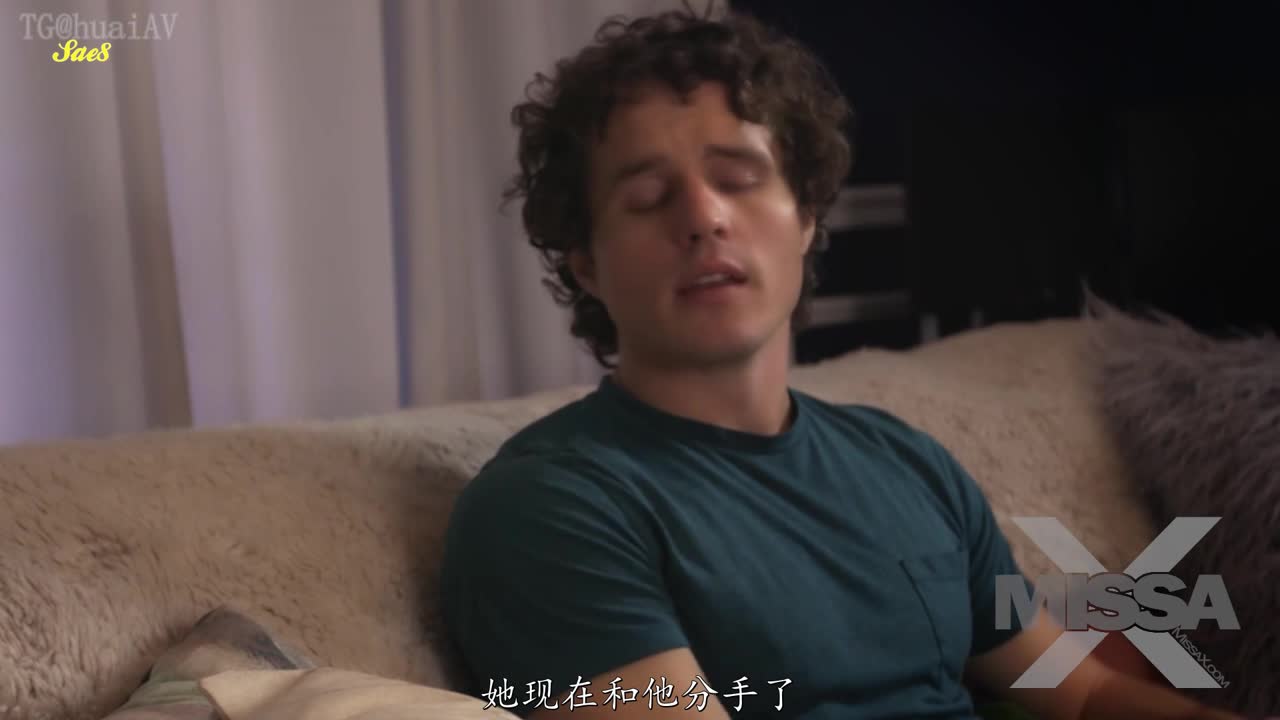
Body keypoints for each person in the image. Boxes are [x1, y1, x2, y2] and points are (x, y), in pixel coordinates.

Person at [439, 7, 1240, 719]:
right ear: (586, 263)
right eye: (649, 198)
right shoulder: (550, 508)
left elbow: (1083, 694)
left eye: (738, 179)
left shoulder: (907, 463)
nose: (704, 217)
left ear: (805, 218)